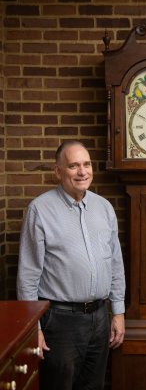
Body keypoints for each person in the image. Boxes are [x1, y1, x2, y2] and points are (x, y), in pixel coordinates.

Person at [17, 140, 126, 390]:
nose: (82, 172)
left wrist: (117, 312)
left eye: (86, 164)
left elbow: (115, 265)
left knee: (93, 385)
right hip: (59, 321)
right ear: (58, 171)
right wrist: (33, 328)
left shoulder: (104, 208)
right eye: (73, 166)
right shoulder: (40, 210)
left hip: (99, 318)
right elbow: (28, 276)